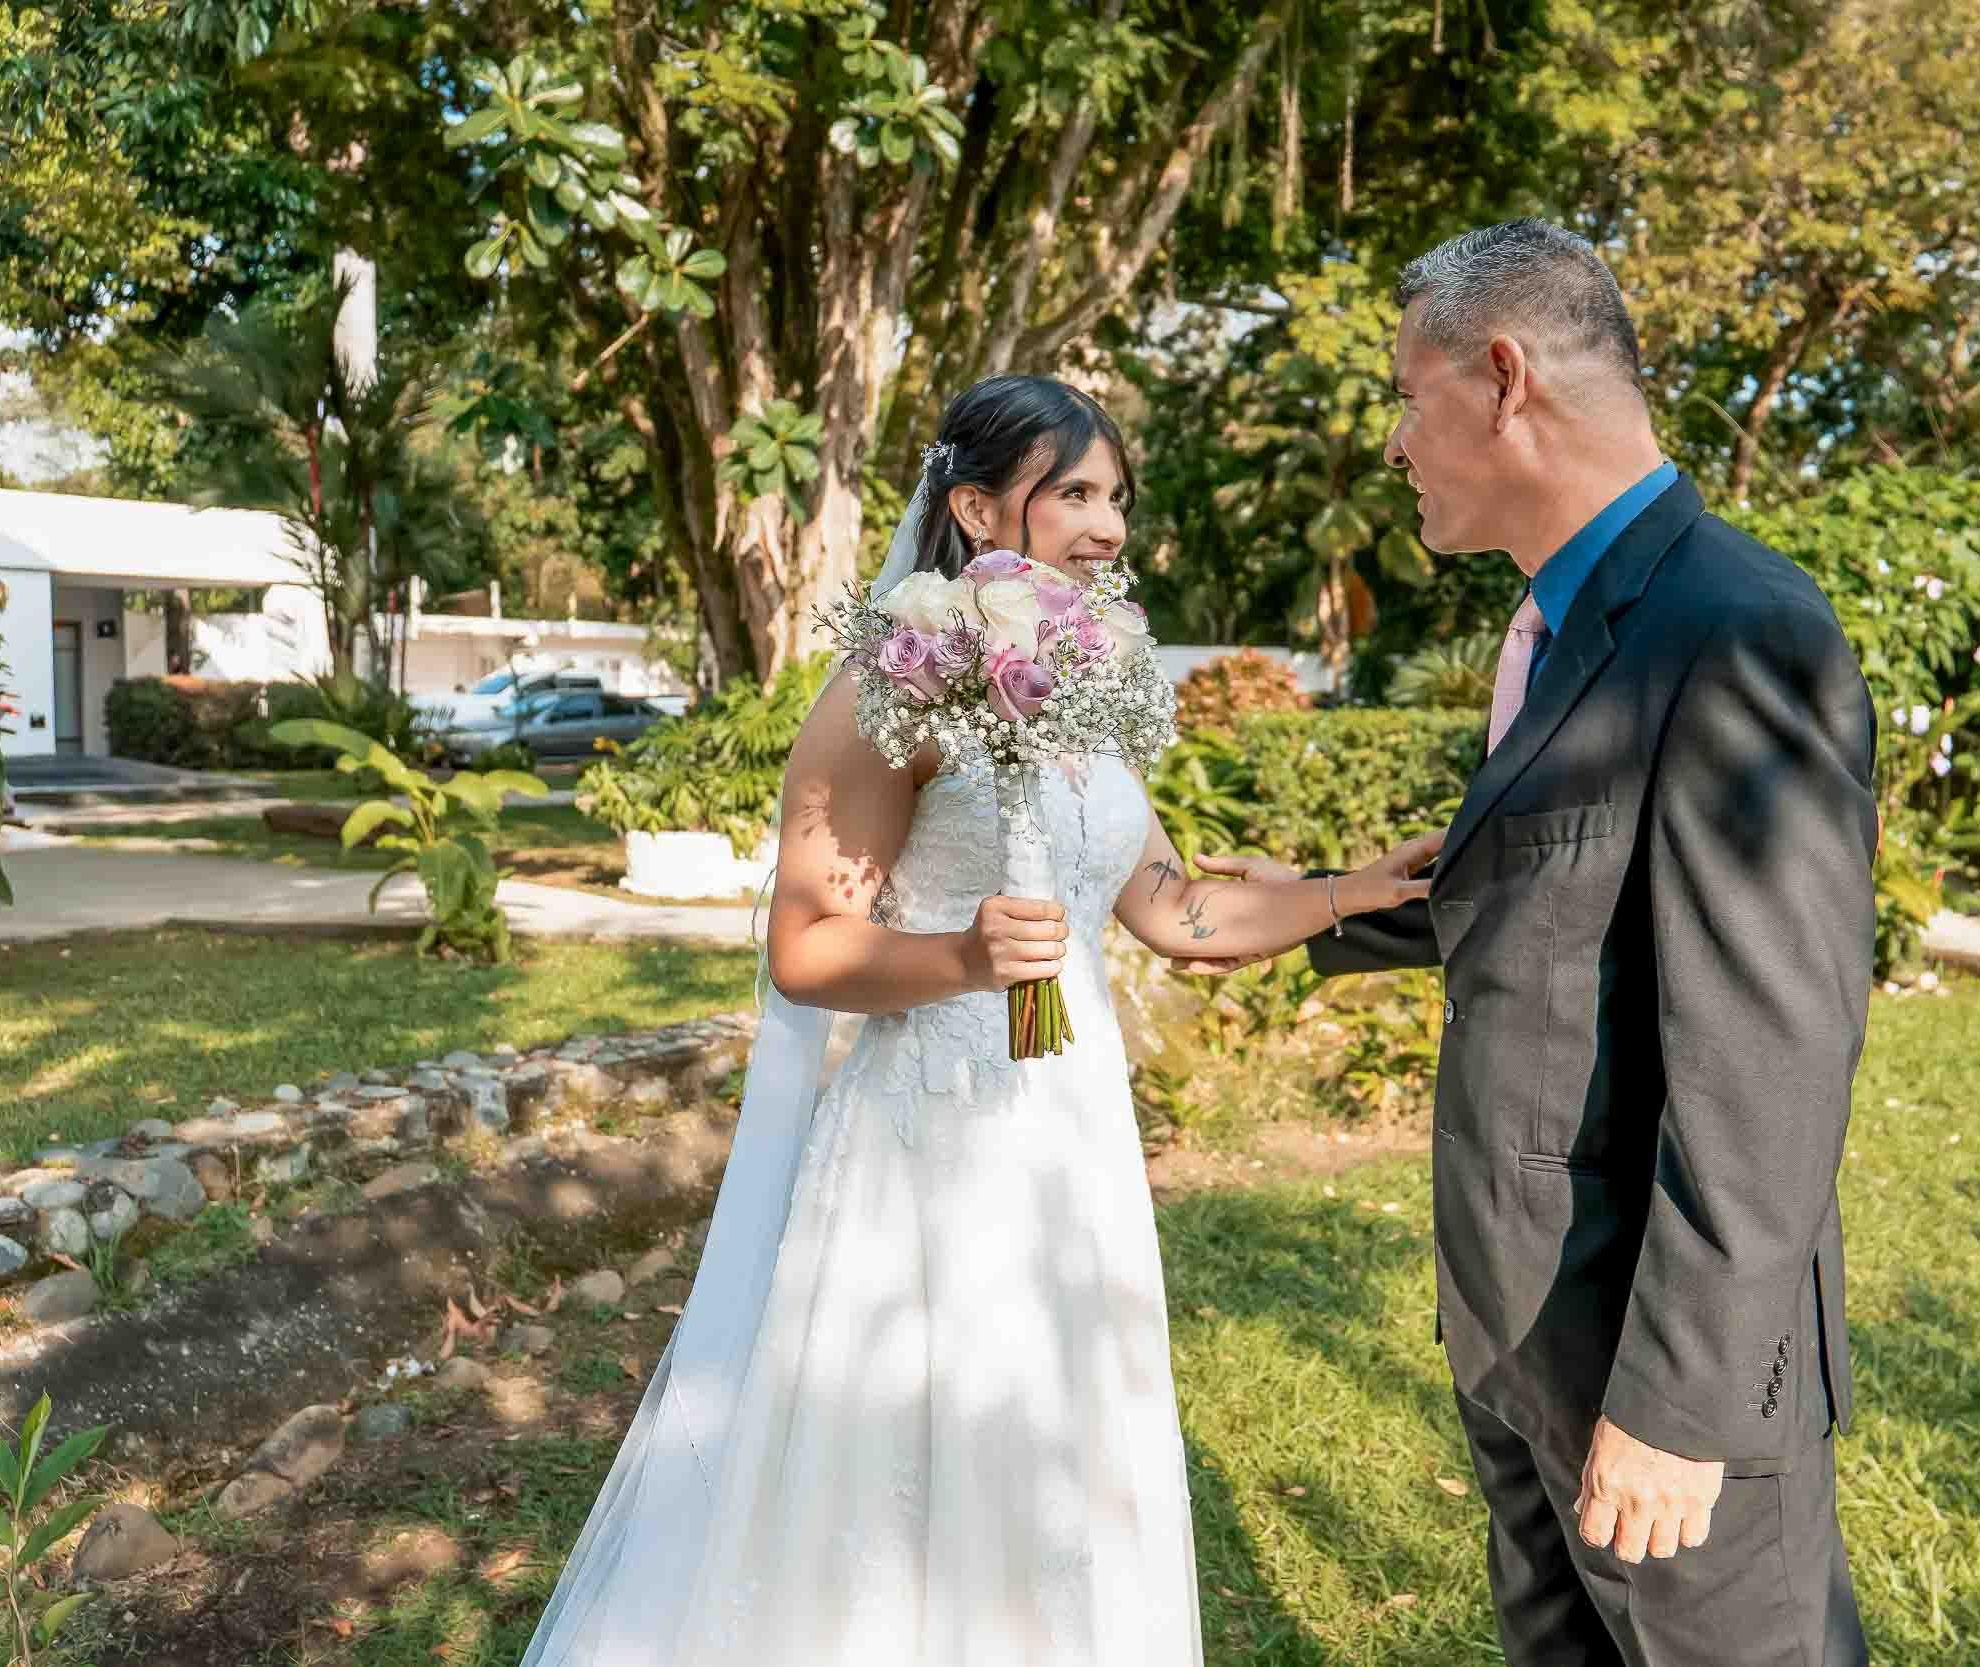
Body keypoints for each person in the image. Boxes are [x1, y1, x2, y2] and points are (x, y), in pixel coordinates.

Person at [513, 372, 1440, 1667]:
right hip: (929, 1160)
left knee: (1062, 1470)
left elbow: (1172, 910)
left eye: (1117, 496)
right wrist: (958, 955)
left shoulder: (1091, 693)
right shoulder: (882, 692)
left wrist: (1356, 890)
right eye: (1076, 493)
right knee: (912, 1484)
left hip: (1073, 1145)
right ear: (972, 505)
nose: (1110, 525)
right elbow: (802, 948)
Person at [1190, 220, 1879, 1667]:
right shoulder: (1555, 628)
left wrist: (1681, 1407)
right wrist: (1318, 902)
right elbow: (1566, 894)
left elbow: (1773, 1054)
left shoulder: (1737, 628)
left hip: (1650, 1358)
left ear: (1503, 378)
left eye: (1404, 394)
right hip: (1516, 1322)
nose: (1393, 442)